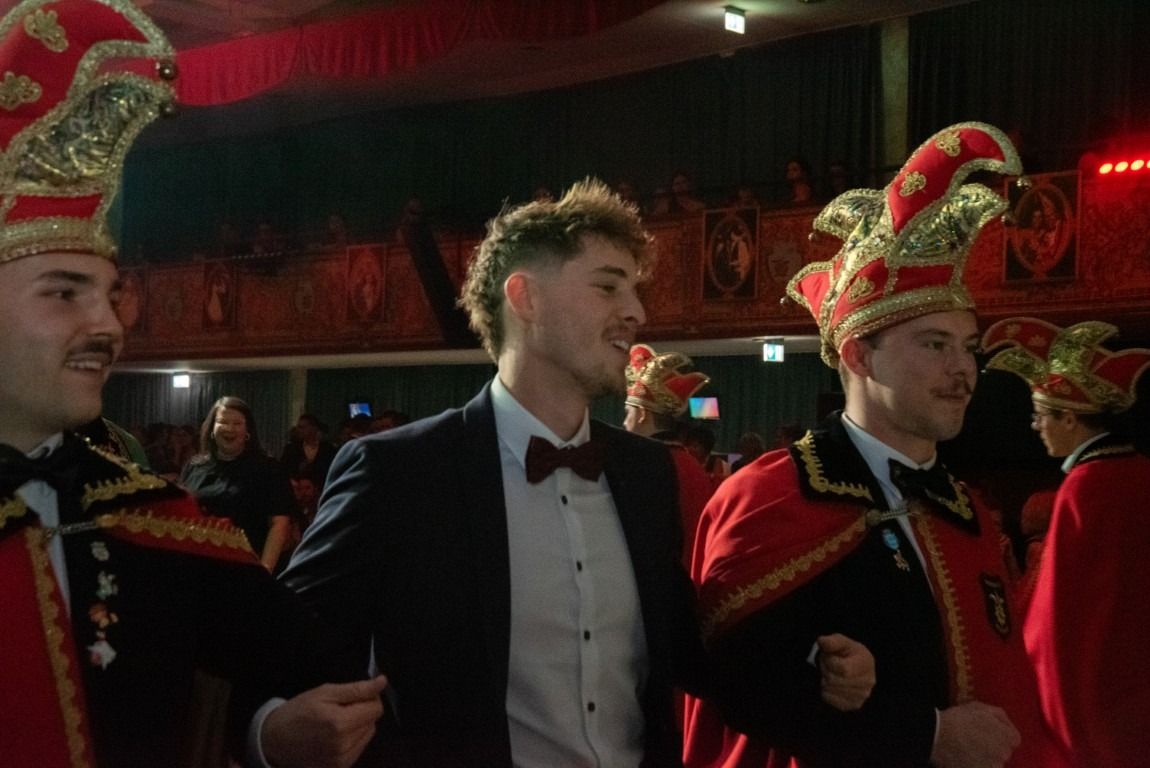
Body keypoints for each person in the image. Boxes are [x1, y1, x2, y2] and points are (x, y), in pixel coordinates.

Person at [0, 3, 384, 765]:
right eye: (65, 291)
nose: (109, 325)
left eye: (111, 294)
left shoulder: (147, 517)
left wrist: (267, 735)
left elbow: (289, 669)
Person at [281, 178, 706, 765]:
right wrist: (272, 737)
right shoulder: (398, 474)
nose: (637, 312)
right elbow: (286, 647)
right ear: (525, 298)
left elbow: (688, 648)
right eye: (609, 286)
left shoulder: (649, 472)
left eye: (634, 291)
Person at [683, 122, 1055, 767]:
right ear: (858, 355)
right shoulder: (773, 494)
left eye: (967, 348)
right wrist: (926, 735)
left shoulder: (965, 509)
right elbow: (736, 682)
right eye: (934, 345)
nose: (963, 370)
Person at [982, 316, 1150, 766]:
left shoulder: (1087, 486)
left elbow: (1060, 612)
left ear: (1070, 418)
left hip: (1095, 688)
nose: (1036, 427)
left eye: (1041, 416)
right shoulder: (1137, 471)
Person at [623, 343, 716, 565]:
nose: (624, 422)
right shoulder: (691, 464)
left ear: (642, 414)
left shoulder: (646, 465)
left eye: (628, 413)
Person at [182, 396, 297, 572]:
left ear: (247, 430)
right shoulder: (194, 467)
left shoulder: (268, 468)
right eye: (223, 422)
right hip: (198, 566)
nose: (229, 428)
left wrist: (264, 571)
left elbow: (279, 524)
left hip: (246, 567)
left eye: (237, 423)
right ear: (212, 428)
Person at [280, 412, 337, 489]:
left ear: (314, 428)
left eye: (302, 427)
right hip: (298, 489)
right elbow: (283, 470)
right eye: (298, 427)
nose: (299, 430)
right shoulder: (291, 448)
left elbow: (332, 470)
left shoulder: (328, 449)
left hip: (320, 489)